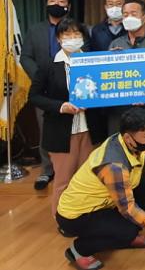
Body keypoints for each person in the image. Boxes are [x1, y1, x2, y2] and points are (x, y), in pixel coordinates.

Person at [56, 108, 145, 270]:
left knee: (136, 223)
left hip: (103, 206)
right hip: (76, 216)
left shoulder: (129, 143)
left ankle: (125, 236)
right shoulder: (114, 165)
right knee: (129, 227)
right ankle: (79, 250)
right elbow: (128, 209)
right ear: (128, 137)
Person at [28, 18, 106, 216]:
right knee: (63, 180)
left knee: (88, 179)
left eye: (76, 34)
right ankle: (62, 219)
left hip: (89, 130)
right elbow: (34, 96)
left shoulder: (94, 62)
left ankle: (85, 217)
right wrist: (61, 106)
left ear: (83, 38)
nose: (72, 38)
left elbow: (105, 89)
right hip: (62, 132)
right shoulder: (48, 65)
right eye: (67, 34)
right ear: (58, 38)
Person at [108, 0, 145, 216]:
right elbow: (107, 76)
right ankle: (121, 206)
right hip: (120, 112)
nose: (129, 18)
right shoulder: (115, 44)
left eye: (134, 13)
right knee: (119, 158)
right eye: (125, 14)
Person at [22, 0, 73, 190]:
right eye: (52, 0)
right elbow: (26, 56)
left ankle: (72, 169)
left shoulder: (77, 28)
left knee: (74, 131)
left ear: (68, 6)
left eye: (61, 0)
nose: (56, 3)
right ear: (46, 5)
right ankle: (47, 170)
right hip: (44, 89)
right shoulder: (35, 30)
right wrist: (40, 76)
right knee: (46, 130)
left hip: (72, 87)